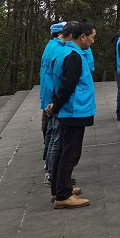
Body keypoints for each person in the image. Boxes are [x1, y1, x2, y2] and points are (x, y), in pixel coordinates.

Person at [47, 20, 97, 209]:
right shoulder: (74, 56)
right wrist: (57, 105)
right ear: (82, 36)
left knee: (62, 150)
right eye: (92, 37)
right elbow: (67, 86)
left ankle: (58, 189)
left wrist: (55, 103)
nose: (93, 41)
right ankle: (63, 195)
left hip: (70, 110)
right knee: (70, 153)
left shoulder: (66, 51)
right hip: (74, 111)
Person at [40, 22, 65, 158]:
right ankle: (50, 162)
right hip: (51, 92)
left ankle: (48, 156)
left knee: (50, 127)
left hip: (48, 91)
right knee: (53, 129)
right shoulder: (57, 48)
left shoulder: (51, 45)